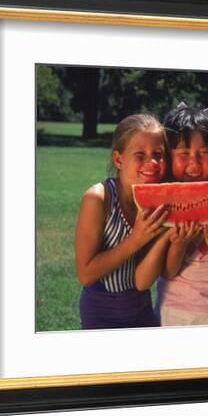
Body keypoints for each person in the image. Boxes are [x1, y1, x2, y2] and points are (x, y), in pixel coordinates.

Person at [75, 114, 171, 329]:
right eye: (140, 154)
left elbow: (144, 280)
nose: (152, 163)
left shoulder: (158, 201)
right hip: (102, 315)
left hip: (144, 310)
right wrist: (135, 240)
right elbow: (85, 274)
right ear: (119, 160)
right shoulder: (98, 198)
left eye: (158, 154)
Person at [156, 102, 208, 326]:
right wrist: (178, 245)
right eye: (183, 154)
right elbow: (167, 271)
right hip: (174, 309)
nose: (194, 162)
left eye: (204, 153)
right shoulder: (162, 196)